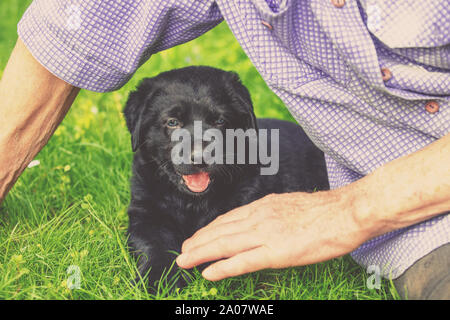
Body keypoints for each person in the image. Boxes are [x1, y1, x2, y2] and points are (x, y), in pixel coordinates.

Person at [0, 0, 448, 299]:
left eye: (217, 124)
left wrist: (348, 210)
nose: (196, 148)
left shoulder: (260, 164)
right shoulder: (153, 169)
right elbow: (75, 23)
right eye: (173, 124)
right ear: (138, 127)